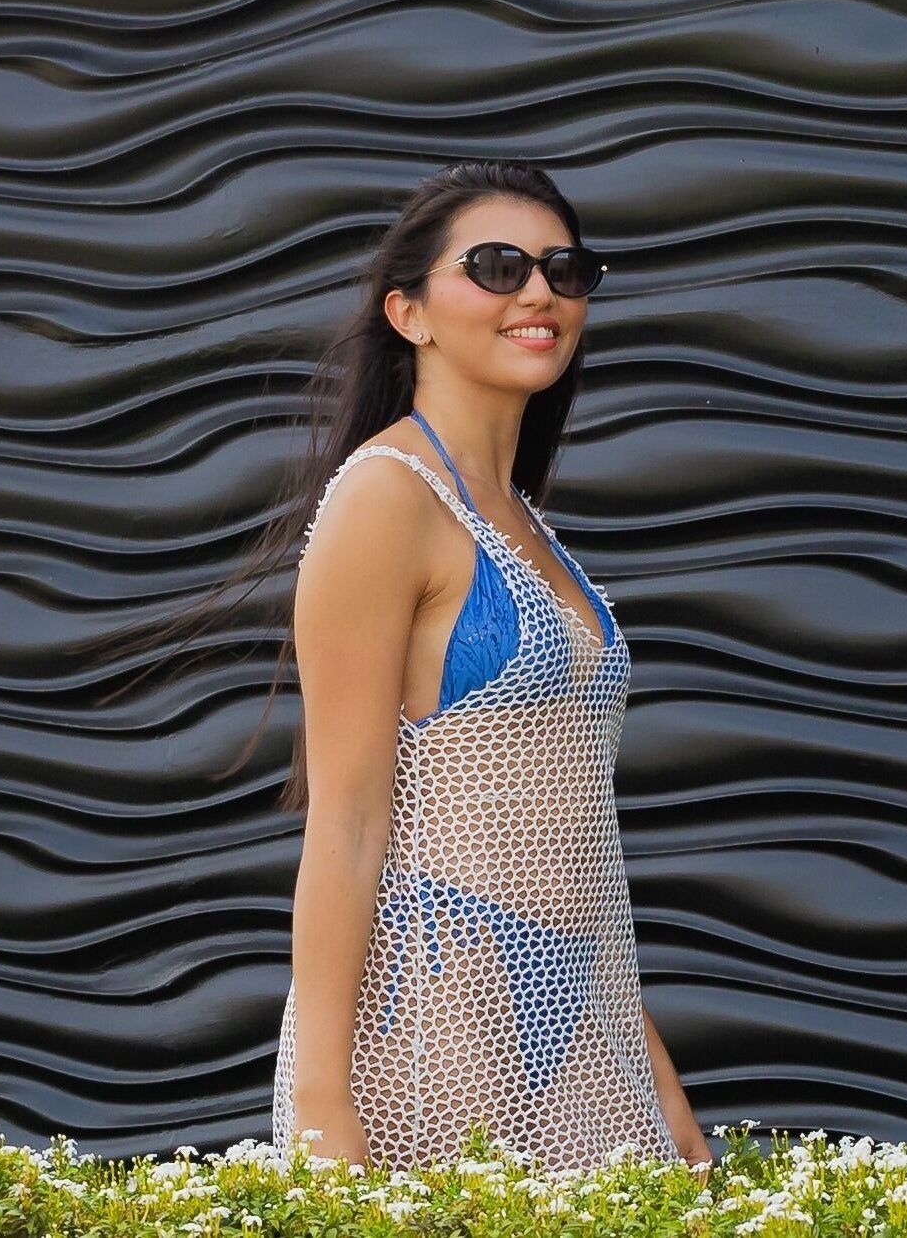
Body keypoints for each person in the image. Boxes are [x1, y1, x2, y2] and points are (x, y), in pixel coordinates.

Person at [268, 159, 712, 1170]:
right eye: (498, 266)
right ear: (410, 312)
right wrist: (318, 1099)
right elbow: (344, 821)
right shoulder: (386, 498)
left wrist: (654, 1075)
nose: (540, 292)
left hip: (579, 1005)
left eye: (566, 268)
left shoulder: (526, 524)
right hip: (439, 996)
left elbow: (578, 850)